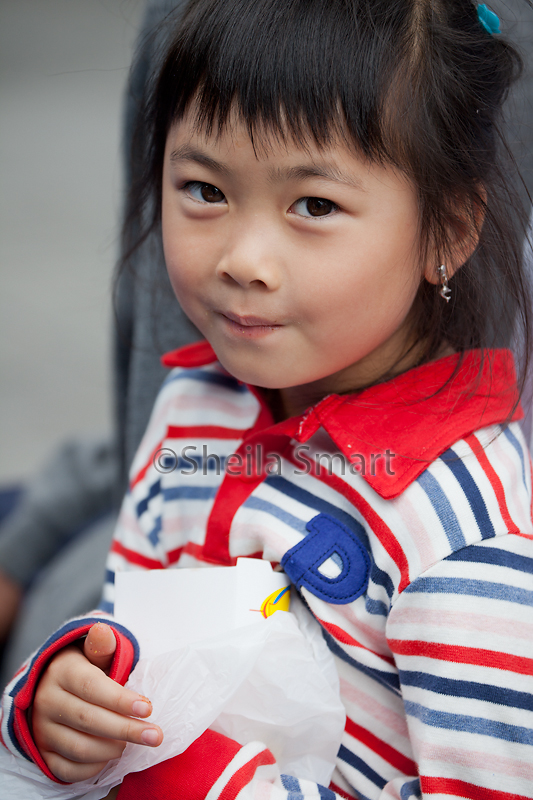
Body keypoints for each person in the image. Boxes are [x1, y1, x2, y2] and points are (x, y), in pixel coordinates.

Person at [3, 0, 533, 798]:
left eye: (313, 206)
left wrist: (212, 786)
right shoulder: (192, 415)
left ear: (446, 230)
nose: (244, 258)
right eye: (204, 189)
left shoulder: (462, 533)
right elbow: (125, 636)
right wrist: (63, 701)